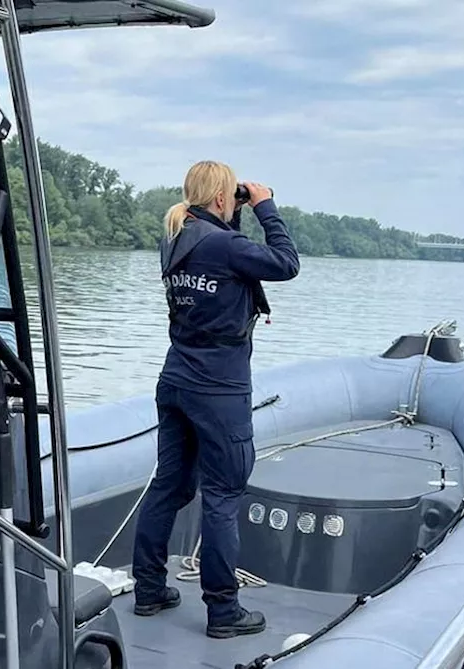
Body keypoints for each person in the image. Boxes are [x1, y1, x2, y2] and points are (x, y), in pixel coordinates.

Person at [131, 160, 299, 639]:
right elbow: (285, 264)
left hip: (176, 379)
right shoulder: (224, 245)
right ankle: (224, 611)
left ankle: (149, 590)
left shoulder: (177, 236)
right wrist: (265, 206)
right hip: (219, 388)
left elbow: (226, 251)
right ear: (224, 198)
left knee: (169, 485)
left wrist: (236, 209)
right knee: (222, 496)